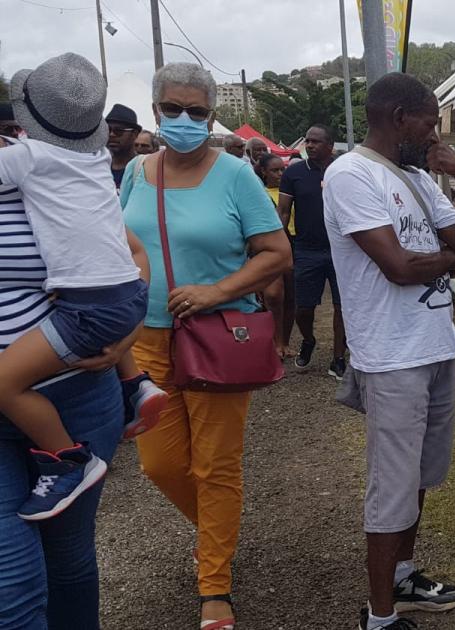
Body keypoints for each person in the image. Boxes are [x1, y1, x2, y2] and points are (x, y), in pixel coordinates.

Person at [119, 62, 291, 630]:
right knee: (160, 463)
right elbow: (122, 247)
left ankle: (215, 584)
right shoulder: (138, 174)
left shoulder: (236, 175)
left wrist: (216, 290)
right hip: (146, 338)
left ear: (212, 115)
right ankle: (216, 534)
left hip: (218, 337)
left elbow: (275, 254)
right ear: (155, 110)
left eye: (197, 110)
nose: (185, 119)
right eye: (174, 108)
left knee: (216, 466)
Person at [323, 72, 455, 630]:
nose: (434, 130)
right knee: (391, 486)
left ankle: (404, 574)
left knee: (419, 475)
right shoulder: (350, 174)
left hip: (435, 346)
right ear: (399, 118)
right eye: (430, 120)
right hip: (392, 356)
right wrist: (450, 262)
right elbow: (397, 269)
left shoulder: (418, 177)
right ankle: (380, 616)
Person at [0, 53, 165, 522]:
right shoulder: (92, 158)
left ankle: (69, 460)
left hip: (90, 309)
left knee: (2, 383)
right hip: (124, 293)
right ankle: (135, 386)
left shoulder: (28, 157)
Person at [0, 126, 133, 630]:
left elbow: (132, 260)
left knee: (68, 559)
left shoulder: (45, 168)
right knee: (10, 583)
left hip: (74, 397)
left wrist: (123, 341)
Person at [278, 124, 346, 377]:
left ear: (330, 145)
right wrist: (280, 243)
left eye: (316, 141)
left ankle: (339, 357)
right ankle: (308, 340)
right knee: (303, 307)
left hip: (342, 249)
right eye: (307, 141)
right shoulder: (294, 173)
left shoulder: (343, 170)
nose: (309, 145)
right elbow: (284, 210)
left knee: (343, 306)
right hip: (307, 249)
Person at [256, 153, 296, 358]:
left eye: (283, 169)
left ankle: (284, 341)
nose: (280, 174)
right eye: (275, 170)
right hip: (270, 247)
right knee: (273, 295)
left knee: (291, 295)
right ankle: (273, 341)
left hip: (295, 244)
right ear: (263, 171)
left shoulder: (290, 190)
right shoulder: (259, 192)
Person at [105, 104, 140, 188]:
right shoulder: (99, 166)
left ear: (134, 134)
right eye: (108, 129)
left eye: (119, 131)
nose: (111, 134)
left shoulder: (143, 169)